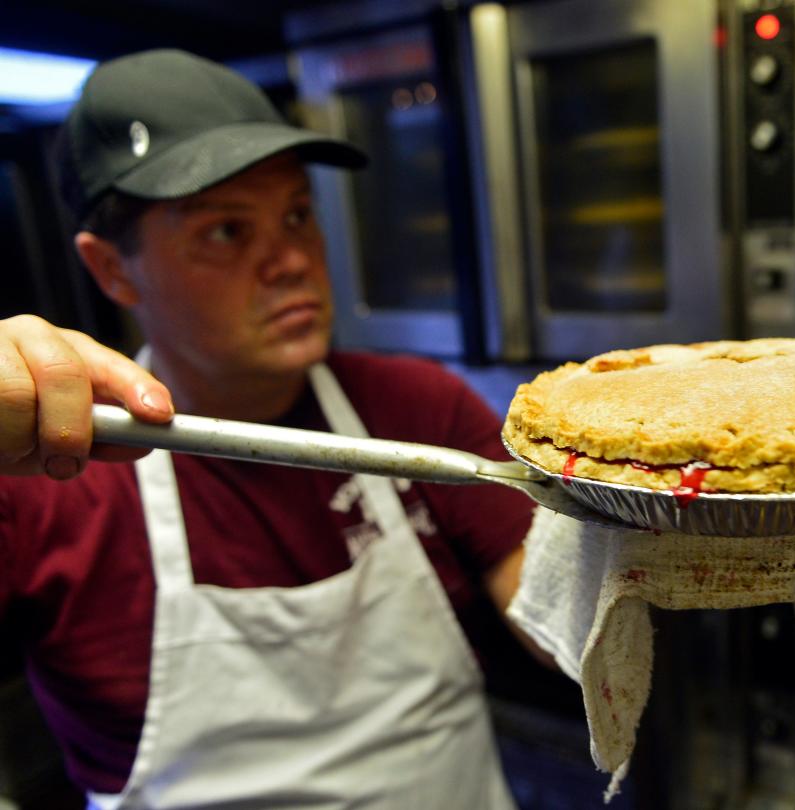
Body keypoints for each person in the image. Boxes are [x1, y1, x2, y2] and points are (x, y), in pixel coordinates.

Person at [0, 48, 547, 809]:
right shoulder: (48, 474)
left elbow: (559, 622)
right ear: (113, 272)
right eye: (226, 232)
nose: (291, 260)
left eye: (297, 214)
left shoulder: (415, 411)